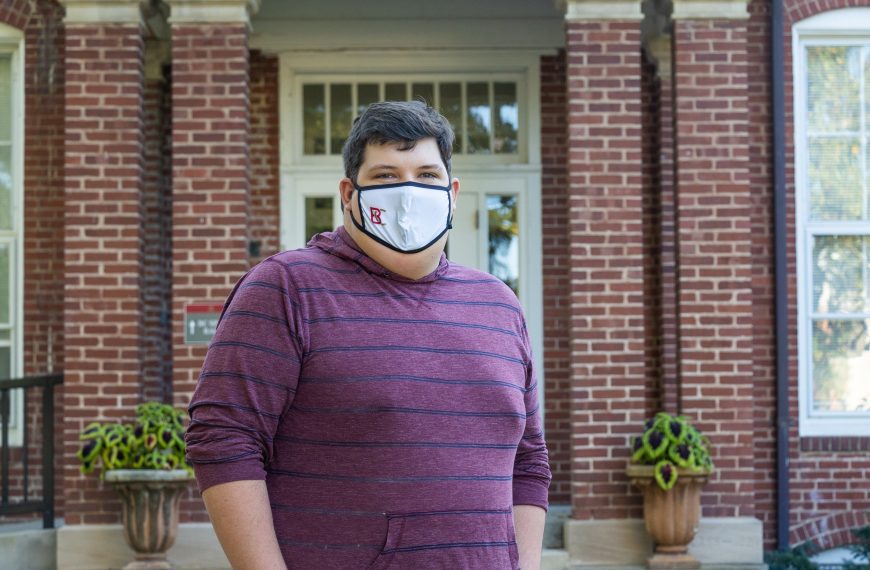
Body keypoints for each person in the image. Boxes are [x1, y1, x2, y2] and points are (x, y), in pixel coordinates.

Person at [185, 100, 551, 569]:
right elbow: (224, 438)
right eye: (385, 177)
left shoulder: (497, 304)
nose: (408, 193)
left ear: (453, 192)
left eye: (426, 175)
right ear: (348, 192)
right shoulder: (287, 287)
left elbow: (529, 460)